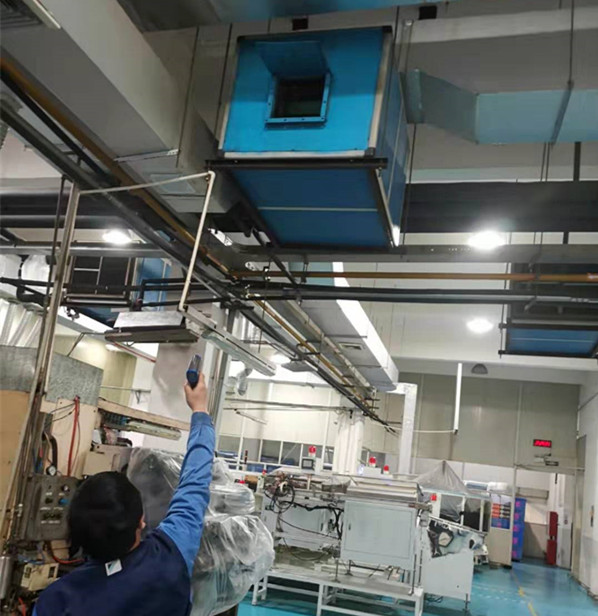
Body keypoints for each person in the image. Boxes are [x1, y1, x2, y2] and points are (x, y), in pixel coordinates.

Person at [34, 374, 215, 616]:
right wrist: (200, 409)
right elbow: (195, 483)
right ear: (141, 521)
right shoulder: (171, 556)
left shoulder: (56, 601)